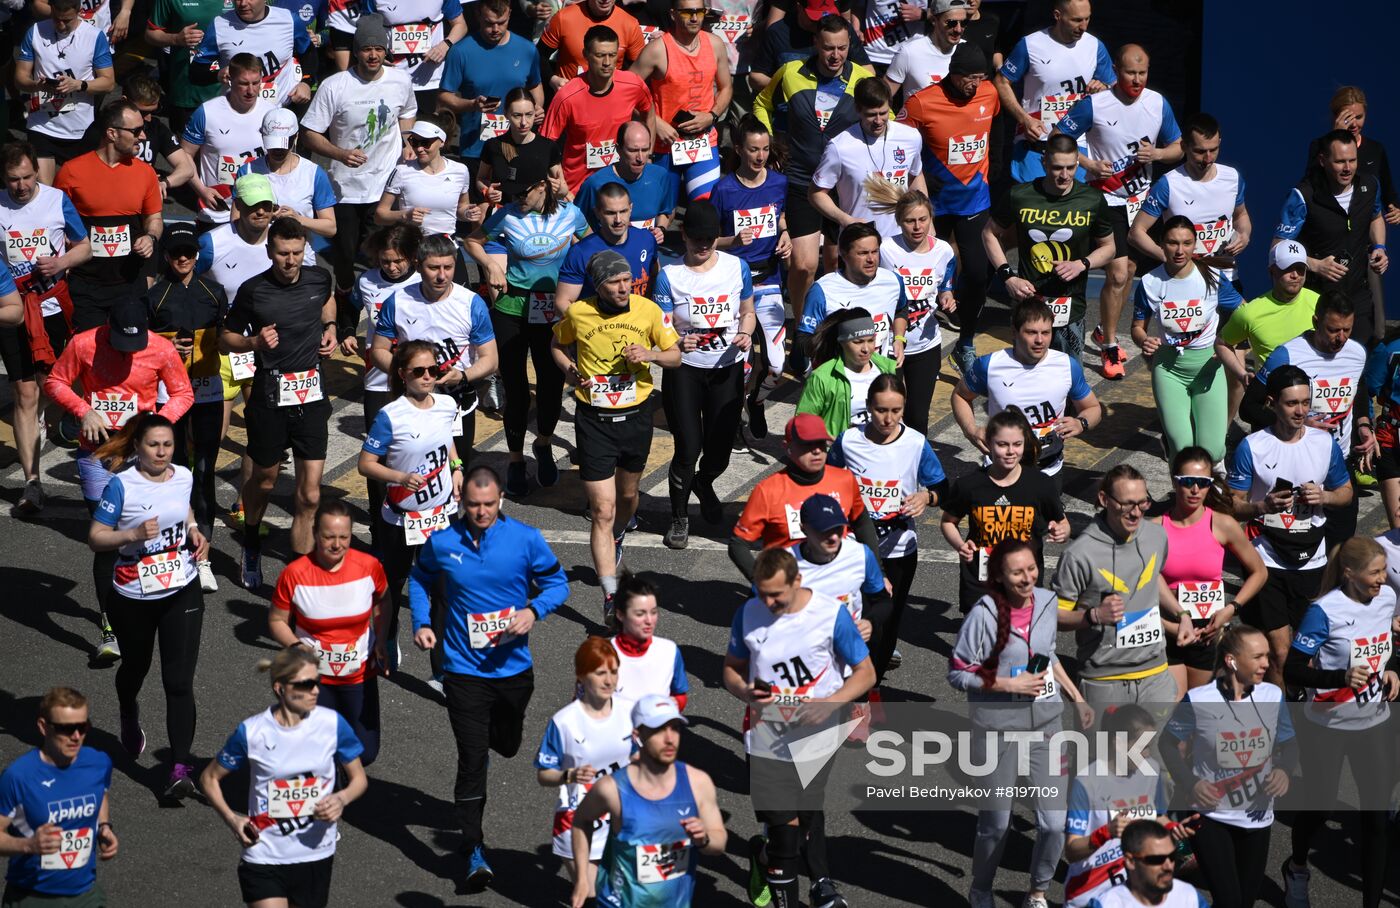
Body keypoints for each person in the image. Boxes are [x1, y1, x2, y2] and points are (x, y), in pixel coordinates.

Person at [407, 466, 570, 892]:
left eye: (489, 505)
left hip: (513, 671)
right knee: (473, 758)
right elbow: (420, 579)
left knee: (508, 744)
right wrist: (422, 623)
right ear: (462, 503)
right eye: (474, 505)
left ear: (501, 502)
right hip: (462, 671)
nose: (481, 512)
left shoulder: (525, 539)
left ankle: (499, 740)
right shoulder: (442, 542)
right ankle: (474, 847)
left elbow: (558, 583)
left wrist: (533, 611)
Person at [723, 547, 874, 908]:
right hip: (765, 736)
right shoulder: (748, 613)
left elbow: (865, 673)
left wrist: (829, 705)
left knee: (806, 816)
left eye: (777, 593)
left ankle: (762, 857)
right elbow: (731, 668)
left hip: (818, 733)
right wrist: (745, 691)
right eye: (762, 593)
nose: (769, 602)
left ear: (798, 581)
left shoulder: (830, 615)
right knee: (786, 833)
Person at [45, 298, 192, 664]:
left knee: (146, 529)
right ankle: (110, 625)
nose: (129, 353)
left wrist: (157, 421)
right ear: (107, 329)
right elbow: (56, 381)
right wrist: (83, 410)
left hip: (140, 452)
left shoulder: (159, 348)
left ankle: (149, 600)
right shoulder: (83, 343)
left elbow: (183, 393)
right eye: (121, 345)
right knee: (108, 538)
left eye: (135, 345)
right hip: (98, 453)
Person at [950, 537, 1091, 908]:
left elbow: (1048, 655)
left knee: (1054, 822)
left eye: (1031, 569)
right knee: (996, 823)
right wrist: (1007, 683)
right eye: (1017, 572)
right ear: (999, 575)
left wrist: (1076, 697)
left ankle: (1038, 891)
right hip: (997, 729)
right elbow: (958, 673)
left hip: (1047, 724)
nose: (1027, 578)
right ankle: (981, 888)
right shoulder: (983, 614)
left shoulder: (1046, 601)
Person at [552, 250, 680, 613]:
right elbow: (557, 344)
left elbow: (675, 356)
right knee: (602, 509)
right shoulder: (578, 313)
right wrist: (567, 367)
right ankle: (610, 594)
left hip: (636, 417)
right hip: (594, 420)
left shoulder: (648, 310)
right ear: (599, 285)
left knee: (627, 498)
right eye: (614, 281)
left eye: (626, 280)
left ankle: (620, 532)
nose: (623, 287)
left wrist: (650, 355)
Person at [87, 413, 208, 797]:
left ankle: (179, 767)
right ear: (137, 446)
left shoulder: (183, 475)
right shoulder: (122, 485)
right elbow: (96, 537)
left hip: (181, 587)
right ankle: (127, 706)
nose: (161, 452)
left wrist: (193, 531)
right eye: (154, 445)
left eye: (168, 445)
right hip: (133, 595)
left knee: (178, 682)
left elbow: (184, 509)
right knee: (135, 667)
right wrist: (133, 534)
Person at [200, 646, 369, 908]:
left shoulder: (332, 725)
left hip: (315, 852)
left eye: (317, 682)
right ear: (280, 688)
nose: (315, 690)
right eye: (307, 684)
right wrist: (233, 819)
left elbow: (359, 779)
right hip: (264, 853)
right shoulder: (253, 732)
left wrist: (341, 798)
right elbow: (209, 779)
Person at [1282, 537, 1400, 908]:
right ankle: (1297, 867)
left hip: (1376, 723)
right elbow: (1294, 670)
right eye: (1375, 572)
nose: (1383, 579)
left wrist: (1394, 670)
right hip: (1328, 726)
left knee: (1377, 821)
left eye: (1384, 570)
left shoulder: (1387, 600)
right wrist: (1340, 678)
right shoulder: (1324, 610)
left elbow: (1389, 648)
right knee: (1319, 809)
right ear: (1349, 572)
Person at [220, 216, 337, 587]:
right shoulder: (254, 290)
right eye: (283, 254)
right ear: (270, 252)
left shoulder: (319, 277)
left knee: (309, 494)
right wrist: (254, 343)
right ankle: (251, 539)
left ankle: (299, 574)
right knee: (267, 481)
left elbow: (328, 300)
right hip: (270, 395)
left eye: (297, 253)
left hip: (311, 395)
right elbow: (226, 337)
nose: (291, 261)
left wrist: (331, 330)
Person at [1056, 44, 1181, 380]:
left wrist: (1156, 154)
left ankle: (1102, 330)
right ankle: (1110, 345)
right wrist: (1088, 163)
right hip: (1106, 199)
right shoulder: (1096, 104)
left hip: (1142, 202)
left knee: (1129, 271)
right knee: (1118, 273)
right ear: (1116, 70)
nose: (1137, 80)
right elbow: (1059, 136)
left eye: (1142, 73)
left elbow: (1178, 147)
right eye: (1129, 73)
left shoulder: (1158, 103)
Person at [1228, 364, 1354, 686]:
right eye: (1291, 403)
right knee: (1280, 653)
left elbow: (1346, 493)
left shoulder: (1324, 443)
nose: (1301, 411)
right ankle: (1284, 727)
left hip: (1313, 559)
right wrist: (1262, 506)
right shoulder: (1253, 447)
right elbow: (1231, 505)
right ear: (1272, 402)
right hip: (1267, 558)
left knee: (1308, 652)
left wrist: (1324, 497)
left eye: (1305, 402)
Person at [466, 155, 584, 497]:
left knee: (550, 388)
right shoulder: (507, 215)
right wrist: (491, 265)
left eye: (523, 192)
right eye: (513, 191)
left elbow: (591, 245)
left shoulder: (570, 214)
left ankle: (543, 444)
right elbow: (473, 240)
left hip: (554, 312)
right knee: (516, 391)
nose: (517, 197)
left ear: (544, 186)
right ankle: (516, 459)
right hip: (511, 308)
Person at [1160, 625, 1297, 908]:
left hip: (1257, 818)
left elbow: (1290, 744)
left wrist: (1283, 770)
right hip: (1211, 817)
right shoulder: (1199, 700)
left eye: (1267, 656)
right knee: (1229, 901)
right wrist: (1191, 782)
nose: (1266, 664)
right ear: (1231, 660)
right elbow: (1167, 744)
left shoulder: (1272, 696)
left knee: (1244, 902)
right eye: (1258, 656)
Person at [752, 15, 876, 320]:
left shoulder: (862, 78)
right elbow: (761, 103)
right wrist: (769, 143)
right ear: (815, 45)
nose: (836, 55)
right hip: (802, 180)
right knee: (804, 264)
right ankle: (802, 321)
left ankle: (833, 323)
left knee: (837, 263)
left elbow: (880, 122)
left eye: (843, 48)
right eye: (828, 48)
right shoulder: (791, 72)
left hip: (842, 185)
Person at [358, 339, 464, 687]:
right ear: (402, 375)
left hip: (441, 514)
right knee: (394, 583)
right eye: (419, 371)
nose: (428, 377)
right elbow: (365, 465)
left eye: (433, 370)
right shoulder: (391, 415)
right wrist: (400, 477)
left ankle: (441, 668)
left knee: (443, 590)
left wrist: (458, 467)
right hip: (402, 517)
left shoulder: (447, 405)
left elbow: (447, 440)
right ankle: (386, 640)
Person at [653, 199, 756, 548]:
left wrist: (746, 332)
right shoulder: (669, 275)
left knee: (719, 452)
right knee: (688, 447)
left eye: (710, 240)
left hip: (726, 370)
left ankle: (704, 481)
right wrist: (679, 340)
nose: (703, 246)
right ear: (683, 235)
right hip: (685, 372)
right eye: (696, 239)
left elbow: (748, 312)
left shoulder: (736, 267)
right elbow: (662, 329)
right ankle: (679, 517)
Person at [829, 374, 945, 676]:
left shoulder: (916, 444)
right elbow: (827, 480)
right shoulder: (849, 440)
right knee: (855, 615)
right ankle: (850, 682)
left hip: (899, 548)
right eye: (881, 410)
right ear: (869, 406)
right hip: (855, 549)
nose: (888, 418)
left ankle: (872, 680)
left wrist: (927, 497)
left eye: (896, 411)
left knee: (886, 623)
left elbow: (944, 489)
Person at [895, 41, 997, 376]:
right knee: (924, 277)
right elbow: (899, 144)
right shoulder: (921, 102)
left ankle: (965, 342)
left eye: (980, 78)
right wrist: (920, 179)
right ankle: (906, 341)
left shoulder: (989, 95)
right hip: (934, 205)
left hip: (974, 200)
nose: (974, 85)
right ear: (953, 74)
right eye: (969, 78)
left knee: (980, 274)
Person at [568, 694, 726, 908]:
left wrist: (704, 838)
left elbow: (719, 841)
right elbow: (580, 821)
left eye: (675, 728)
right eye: (659, 729)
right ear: (638, 735)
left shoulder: (698, 783)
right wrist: (582, 879)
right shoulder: (612, 789)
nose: (669, 738)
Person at [1054, 465, 1194, 706]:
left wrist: (1181, 614)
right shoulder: (1079, 554)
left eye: (1142, 503)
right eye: (1127, 504)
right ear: (1104, 500)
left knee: (1159, 744)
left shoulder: (1156, 536)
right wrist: (1094, 616)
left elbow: (1151, 576)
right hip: (1105, 679)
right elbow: (1055, 617)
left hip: (1155, 673)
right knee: (1105, 746)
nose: (1136, 513)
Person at [300, 13, 418, 300]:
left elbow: (408, 111)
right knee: (344, 257)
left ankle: (385, 304)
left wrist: (406, 141)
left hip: (385, 185)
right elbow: (309, 133)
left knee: (385, 254)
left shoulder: (400, 80)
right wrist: (339, 154)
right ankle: (344, 304)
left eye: (379, 49)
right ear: (356, 52)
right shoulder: (335, 85)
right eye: (367, 49)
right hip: (346, 188)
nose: (374, 55)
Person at [0, 141, 89, 518]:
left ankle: (52, 420)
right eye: (13, 180)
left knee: (56, 384)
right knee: (23, 393)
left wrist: (61, 261)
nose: (20, 186)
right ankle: (32, 482)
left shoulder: (56, 200)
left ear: (37, 171)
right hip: (13, 308)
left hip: (53, 306)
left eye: (26, 177)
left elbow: (85, 246)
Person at [269, 500, 390, 766]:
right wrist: (295, 645)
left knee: (365, 751)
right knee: (320, 748)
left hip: (358, 674)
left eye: (344, 537)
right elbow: (277, 620)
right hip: (315, 679)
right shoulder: (295, 573)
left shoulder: (369, 567)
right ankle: (327, 794)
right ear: (314, 534)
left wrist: (381, 639)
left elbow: (383, 599)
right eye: (329, 537)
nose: (337, 544)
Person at [1251, 291, 1371, 547]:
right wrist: (1300, 424)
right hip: (1296, 461)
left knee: (1342, 541)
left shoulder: (1357, 353)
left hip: (1339, 459)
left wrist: (1363, 424)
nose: (1341, 338)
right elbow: (1249, 408)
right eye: (1333, 330)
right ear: (1316, 321)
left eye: (1347, 330)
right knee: (1294, 541)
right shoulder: (1287, 355)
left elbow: (1358, 391)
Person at [145, 224, 227, 592]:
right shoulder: (155, 295)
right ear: (165, 255)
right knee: (170, 470)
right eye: (176, 252)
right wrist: (166, 348)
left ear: (197, 255)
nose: (183, 258)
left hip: (207, 391)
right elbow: (141, 346)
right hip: (168, 396)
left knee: (205, 470)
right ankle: (171, 547)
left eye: (189, 252)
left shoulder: (215, 291)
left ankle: (203, 555)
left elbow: (227, 336)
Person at [371, 232, 500, 465]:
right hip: (411, 399)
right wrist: (409, 374)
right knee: (411, 466)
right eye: (434, 268)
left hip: (457, 399)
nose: (442, 276)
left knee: (457, 466)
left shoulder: (471, 303)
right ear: (418, 266)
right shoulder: (398, 301)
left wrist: (462, 376)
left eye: (448, 267)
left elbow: (490, 358)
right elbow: (378, 349)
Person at [985, 132, 1115, 362]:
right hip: (1028, 304)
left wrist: (1082, 264)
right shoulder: (1020, 195)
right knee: (1026, 375)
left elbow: (1109, 248)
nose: (1064, 176)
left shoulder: (1092, 199)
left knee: (1068, 377)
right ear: (1043, 162)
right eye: (1056, 168)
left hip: (1071, 305)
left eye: (1071, 168)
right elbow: (989, 233)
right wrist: (1008, 277)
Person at [1155, 447, 1266, 698]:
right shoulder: (1155, 528)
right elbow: (1140, 584)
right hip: (1168, 629)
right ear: (1175, 481)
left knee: (1199, 706)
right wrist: (1165, 625)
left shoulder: (1222, 523)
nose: (1196, 490)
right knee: (1172, 703)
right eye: (1188, 482)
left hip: (1209, 632)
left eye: (1203, 483)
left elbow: (1259, 572)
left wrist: (1231, 608)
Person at [952, 298, 1102, 482]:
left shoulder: (1067, 365)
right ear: (1014, 332)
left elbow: (1093, 408)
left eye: (1046, 333)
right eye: (1031, 332)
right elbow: (960, 395)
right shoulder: (989, 365)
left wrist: (1081, 423)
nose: (1040, 340)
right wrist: (971, 430)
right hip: (1001, 471)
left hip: (1049, 470)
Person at [1130, 215, 1239, 464]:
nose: (1180, 251)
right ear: (1161, 244)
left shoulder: (1212, 277)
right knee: (1181, 448)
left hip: (1208, 369)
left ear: (1195, 244)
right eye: (1172, 243)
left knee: (1213, 450)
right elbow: (1137, 327)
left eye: (1187, 243)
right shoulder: (1149, 282)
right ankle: (1182, 500)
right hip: (1169, 370)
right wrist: (1144, 340)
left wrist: (1226, 342)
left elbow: (1243, 312)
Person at [534, 637, 636, 901]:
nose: (608, 680)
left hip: (624, 817)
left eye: (613, 672)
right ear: (581, 676)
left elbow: (644, 759)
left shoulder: (630, 712)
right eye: (600, 673)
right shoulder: (564, 722)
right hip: (577, 819)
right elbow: (544, 775)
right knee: (592, 893)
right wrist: (570, 775)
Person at [708, 115, 790, 437]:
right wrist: (732, 241)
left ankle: (755, 401)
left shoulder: (778, 183)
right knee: (737, 365)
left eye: (766, 149)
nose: (760, 157)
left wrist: (785, 234)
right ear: (739, 150)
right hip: (734, 287)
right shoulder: (723, 190)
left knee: (776, 366)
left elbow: (780, 216)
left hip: (769, 282)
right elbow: (706, 240)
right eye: (754, 150)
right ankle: (733, 420)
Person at [941, 407, 1068, 613]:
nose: (1010, 452)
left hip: (1024, 580)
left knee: (1019, 643)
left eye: (1017, 444)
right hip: (981, 580)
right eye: (1002, 445)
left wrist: (1061, 532)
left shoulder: (1041, 485)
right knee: (981, 642)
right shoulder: (969, 485)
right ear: (989, 443)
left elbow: (1062, 523)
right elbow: (948, 521)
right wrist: (959, 545)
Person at [0, 688, 118, 907]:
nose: (75, 736)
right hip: (32, 897)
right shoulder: (19, 776)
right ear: (43, 727)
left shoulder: (98, 763)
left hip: (85, 895)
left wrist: (104, 826)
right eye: (66, 729)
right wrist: (29, 845)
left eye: (82, 728)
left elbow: (100, 792)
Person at [729, 412, 883, 579]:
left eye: (821, 444)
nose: (816, 451)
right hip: (788, 588)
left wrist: (879, 573)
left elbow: (862, 524)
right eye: (807, 445)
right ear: (787, 447)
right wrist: (763, 583)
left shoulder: (844, 480)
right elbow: (738, 544)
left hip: (836, 581)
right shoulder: (768, 490)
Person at [54, 101, 164, 332]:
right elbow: (57, 223)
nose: (142, 136)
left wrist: (151, 237)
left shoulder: (146, 173)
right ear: (112, 133)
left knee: (129, 356)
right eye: (135, 131)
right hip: (86, 284)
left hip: (130, 283)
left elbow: (154, 218)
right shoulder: (71, 172)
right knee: (88, 355)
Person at [1275, 128, 1389, 346]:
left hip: (1358, 296)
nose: (1348, 168)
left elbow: (1376, 217)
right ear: (1322, 160)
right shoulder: (1304, 195)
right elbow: (1278, 248)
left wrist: (1380, 247)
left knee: (1358, 361)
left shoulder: (1370, 186)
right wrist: (1315, 265)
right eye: (1339, 162)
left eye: (1352, 161)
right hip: (1318, 297)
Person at [1062, 706, 1170, 908]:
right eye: (1141, 747)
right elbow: (1071, 850)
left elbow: (1159, 818)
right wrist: (1106, 832)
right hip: (1091, 891)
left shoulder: (1152, 771)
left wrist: (1176, 830)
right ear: (1119, 743)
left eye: (1150, 746)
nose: (1147, 754)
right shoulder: (1087, 782)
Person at [994, 0, 1112, 184]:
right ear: (1057, 16)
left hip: (1078, 145)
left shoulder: (1095, 46)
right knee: (1033, 208)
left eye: (1087, 19)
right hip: (1036, 144)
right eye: (1076, 20)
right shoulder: (1030, 44)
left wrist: (1104, 88)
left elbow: (1114, 91)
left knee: (1072, 209)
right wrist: (1024, 119)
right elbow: (1001, 81)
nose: (1083, 26)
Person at [1129, 112, 1251, 289]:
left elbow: (1241, 216)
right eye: (1200, 151)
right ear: (1184, 146)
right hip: (1184, 281)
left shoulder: (1233, 178)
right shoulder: (1168, 184)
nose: (1208, 158)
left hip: (1227, 279)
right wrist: (1169, 256)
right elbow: (1136, 233)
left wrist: (1244, 235)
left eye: (1213, 150)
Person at [629, 0, 731, 203]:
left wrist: (711, 116)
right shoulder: (657, 50)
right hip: (664, 145)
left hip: (702, 142)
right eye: (687, 13)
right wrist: (656, 123)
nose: (694, 18)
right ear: (673, 14)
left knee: (705, 209)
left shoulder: (715, 44)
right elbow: (627, 92)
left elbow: (726, 88)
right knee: (661, 212)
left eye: (699, 12)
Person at [540, 25, 653, 196]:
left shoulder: (633, 84)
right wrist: (563, 188)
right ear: (585, 55)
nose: (607, 62)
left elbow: (649, 111)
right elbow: (544, 146)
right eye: (600, 55)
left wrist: (647, 153)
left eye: (612, 55)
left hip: (623, 184)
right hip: (578, 189)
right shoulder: (567, 96)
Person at [14, 0, 117, 186]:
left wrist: (79, 85)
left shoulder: (94, 36)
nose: (61, 25)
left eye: (67, 20)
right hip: (42, 126)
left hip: (79, 129)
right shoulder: (35, 31)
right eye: (56, 19)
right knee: (45, 192)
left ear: (78, 11)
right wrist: (37, 85)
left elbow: (109, 82)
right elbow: (20, 77)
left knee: (78, 191)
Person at [878, 190, 955, 435]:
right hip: (888, 347)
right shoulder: (885, 249)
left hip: (926, 346)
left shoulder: (944, 251)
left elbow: (946, 285)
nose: (917, 226)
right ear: (899, 221)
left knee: (918, 419)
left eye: (923, 219)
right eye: (910, 221)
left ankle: (914, 470)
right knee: (888, 417)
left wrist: (947, 296)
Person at [810, 79, 925, 240]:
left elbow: (915, 175)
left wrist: (926, 220)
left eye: (883, 113)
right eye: (871, 115)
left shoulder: (910, 137)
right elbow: (816, 193)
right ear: (858, 109)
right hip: (860, 242)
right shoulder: (839, 147)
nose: (878, 121)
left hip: (903, 240)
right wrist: (847, 221)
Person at [437, 0, 543, 171]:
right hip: (476, 150)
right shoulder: (461, 51)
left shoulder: (527, 49)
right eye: (489, 23)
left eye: (501, 23)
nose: (495, 29)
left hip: (519, 146)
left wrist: (536, 108)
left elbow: (534, 86)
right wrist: (472, 105)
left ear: (509, 13)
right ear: (478, 15)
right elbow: (444, 96)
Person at [1214, 240, 1317, 415]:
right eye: (1287, 268)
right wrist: (1241, 374)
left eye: (1301, 269)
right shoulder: (1250, 313)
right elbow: (1222, 344)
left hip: (1314, 401)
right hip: (1272, 406)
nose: (1295, 275)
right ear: (1272, 271)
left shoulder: (1319, 303)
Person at [180, 53, 275, 227]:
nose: (251, 90)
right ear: (230, 80)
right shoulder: (207, 112)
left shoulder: (272, 113)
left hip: (259, 211)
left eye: (256, 83)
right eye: (244, 83)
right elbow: (184, 155)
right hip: (217, 210)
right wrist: (201, 190)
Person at [237, 108, 339, 266]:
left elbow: (330, 227)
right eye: (272, 144)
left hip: (299, 262)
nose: (278, 150)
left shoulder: (313, 173)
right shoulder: (247, 171)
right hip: (258, 260)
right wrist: (263, 216)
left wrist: (298, 219)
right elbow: (236, 221)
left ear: (296, 137)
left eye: (284, 143)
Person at [799, 222, 908, 363]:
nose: (871, 259)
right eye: (862, 253)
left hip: (882, 374)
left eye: (874, 251)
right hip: (839, 379)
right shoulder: (822, 290)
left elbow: (901, 309)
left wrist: (899, 338)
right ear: (843, 254)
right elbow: (803, 341)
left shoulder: (893, 281)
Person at [189, 0, 317, 109]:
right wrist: (217, 74)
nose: (243, 3)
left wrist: (306, 82)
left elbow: (308, 52)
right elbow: (195, 72)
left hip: (283, 109)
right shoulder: (219, 25)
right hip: (238, 112)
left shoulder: (289, 19)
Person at [1304, 86, 1400, 227]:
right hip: (1328, 232)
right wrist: (1336, 138)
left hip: (1365, 238)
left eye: (1359, 117)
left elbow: (1387, 190)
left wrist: (1396, 208)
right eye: (1348, 118)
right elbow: (1311, 184)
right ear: (1336, 117)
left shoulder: (1376, 149)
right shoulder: (1319, 146)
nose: (1354, 124)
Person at [554, 183, 659, 312]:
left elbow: (654, 277)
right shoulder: (581, 252)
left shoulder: (647, 240)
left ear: (631, 208)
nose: (618, 219)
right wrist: (589, 327)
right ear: (597, 212)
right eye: (610, 213)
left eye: (623, 211)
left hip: (639, 327)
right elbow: (563, 302)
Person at [797, 308, 897, 438]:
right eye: (858, 342)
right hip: (841, 453)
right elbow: (803, 422)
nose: (866, 349)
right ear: (842, 342)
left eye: (871, 340)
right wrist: (826, 443)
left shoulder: (888, 368)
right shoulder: (822, 377)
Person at [574, 121, 676, 240]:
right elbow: (575, 222)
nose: (640, 158)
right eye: (633, 151)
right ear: (618, 149)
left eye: (645, 150)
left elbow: (666, 212)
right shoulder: (595, 184)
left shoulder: (660, 176)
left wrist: (661, 229)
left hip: (646, 255)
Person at [374, 116, 472, 237]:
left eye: (425, 143)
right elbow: (379, 216)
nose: (419, 149)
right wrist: (405, 215)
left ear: (442, 142)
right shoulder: (401, 171)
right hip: (412, 244)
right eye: (414, 142)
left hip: (444, 246)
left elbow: (461, 208)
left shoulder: (460, 170)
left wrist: (468, 213)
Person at [475, 88, 566, 212]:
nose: (524, 122)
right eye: (517, 115)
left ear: (535, 112)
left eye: (529, 114)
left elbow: (563, 189)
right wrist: (487, 191)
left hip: (537, 217)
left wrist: (559, 189)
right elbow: (480, 178)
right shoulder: (493, 145)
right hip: (503, 215)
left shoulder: (548, 147)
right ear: (506, 114)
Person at [1087, 820, 1210, 908]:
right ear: (1130, 861)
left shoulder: (1190, 897)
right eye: (1157, 860)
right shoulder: (1106, 904)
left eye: (1172, 857)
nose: (1168, 866)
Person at [145, 0, 225, 134]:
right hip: (187, 91)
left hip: (230, 90)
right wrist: (176, 39)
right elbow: (150, 34)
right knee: (188, 151)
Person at [608, 573, 688, 706]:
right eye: (640, 614)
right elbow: (582, 706)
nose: (649, 621)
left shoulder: (669, 651)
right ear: (620, 615)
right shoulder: (602, 655)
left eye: (654, 612)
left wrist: (671, 705)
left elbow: (680, 695)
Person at [374, 0, 466, 113]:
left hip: (430, 81)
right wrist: (376, 53)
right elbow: (367, 27)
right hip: (391, 79)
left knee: (428, 128)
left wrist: (445, 45)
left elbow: (460, 25)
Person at [539, 0, 647, 91]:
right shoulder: (564, 18)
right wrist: (552, 79)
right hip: (570, 97)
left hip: (609, 101)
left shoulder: (630, 24)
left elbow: (640, 69)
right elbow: (538, 55)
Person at [883, 0, 970, 103]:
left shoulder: (968, 50)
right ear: (934, 20)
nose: (958, 29)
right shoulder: (910, 52)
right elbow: (881, 97)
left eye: (964, 23)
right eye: (951, 23)